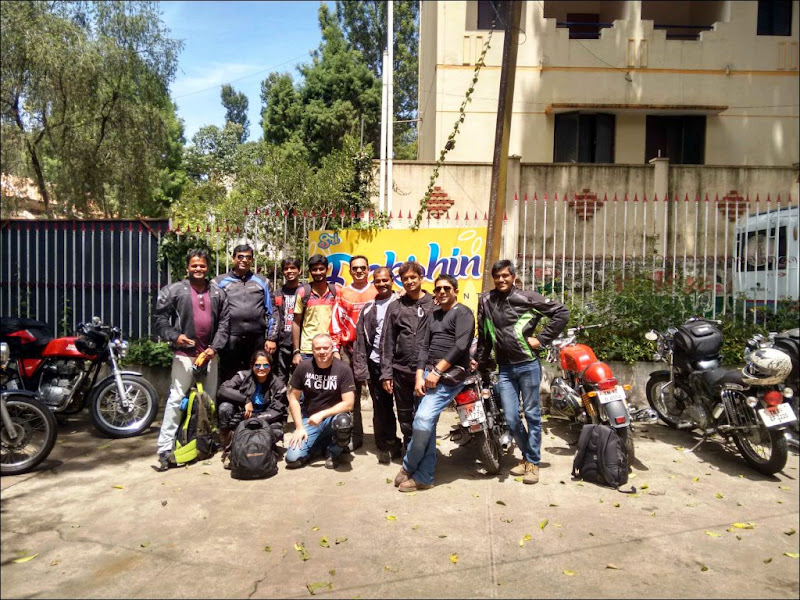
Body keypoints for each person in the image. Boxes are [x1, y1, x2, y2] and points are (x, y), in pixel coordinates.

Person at [476, 259, 569, 485]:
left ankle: (532, 462)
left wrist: (542, 339)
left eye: (505, 275)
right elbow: (484, 336)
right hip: (505, 369)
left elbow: (561, 312)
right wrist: (479, 363)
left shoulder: (527, 298)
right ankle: (528, 456)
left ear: (513, 277)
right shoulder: (486, 300)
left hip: (528, 365)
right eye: (497, 276)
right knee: (510, 417)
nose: (501, 279)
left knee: (532, 415)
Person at [395, 274, 475, 492]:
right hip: (428, 374)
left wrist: (438, 371)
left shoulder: (463, 313)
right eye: (438, 289)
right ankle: (424, 476)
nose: (441, 292)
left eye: (446, 288)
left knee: (422, 420)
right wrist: (419, 375)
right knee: (426, 424)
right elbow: (424, 347)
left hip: (449, 376)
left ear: (455, 291)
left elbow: (460, 345)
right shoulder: (434, 315)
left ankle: (409, 465)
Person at [153, 248, 230, 472]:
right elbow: (159, 319)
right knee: (176, 399)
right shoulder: (174, 290)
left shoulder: (218, 293)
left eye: (202, 265)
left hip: (210, 356)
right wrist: (174, 337)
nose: (198, 269)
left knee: (209, 400)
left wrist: (214, 348)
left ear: (208, 268)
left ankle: (206, 440)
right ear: (187, 267)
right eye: (194, 265)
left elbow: (224, 323)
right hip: (184, 356)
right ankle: (165, 448)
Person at [380, 261, 436, 455]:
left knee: (425, 416)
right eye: (406, 279)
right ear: (401, 282)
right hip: (401, 370)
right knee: (405, 415)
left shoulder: (434, 303)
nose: (410, 281)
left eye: (413, 277)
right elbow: (387, 342)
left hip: (427, 371)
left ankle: (426, 453)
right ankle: (410, 449)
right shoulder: (395, 307)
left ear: (421, 278)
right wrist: (386, 373)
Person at [285, 333, 355, 470]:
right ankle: (321, 445)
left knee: (344, 422)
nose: (322, 352)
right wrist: (299, 427)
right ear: (312, 350)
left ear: (332, 348)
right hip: (310, 420)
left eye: (325, 348)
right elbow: (293, 398)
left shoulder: (343, 369)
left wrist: (322, 414)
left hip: (333, 418)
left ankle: (333, 453)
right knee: (292, 459)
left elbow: (349, 404)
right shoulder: (303, 367)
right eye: (318, 348)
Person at [330, 255, 377, 451]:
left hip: (373, 350)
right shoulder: (343, 293)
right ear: (350, 271)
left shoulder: (377, 290)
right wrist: (335, 349)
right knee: (352, 395)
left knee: (378, 396)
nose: (359, 271)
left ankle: (383, 438)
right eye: (355, 268)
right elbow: (336, 322)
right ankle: (355, 436)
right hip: (349, 350)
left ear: (368, 270)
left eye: (362, 268)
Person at [353, 267, 399, 464]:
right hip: (376, 364)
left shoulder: (402, 302)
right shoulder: (368, 308)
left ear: (392, 280)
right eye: (378, 281)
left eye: (385, 280)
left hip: (400, 365)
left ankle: (411, 445)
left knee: (407, 408)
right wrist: (362, 370)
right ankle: (386, 443)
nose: (382, 284)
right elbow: (360, 340)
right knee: (381, 407)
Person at [213, 244, 278, 383]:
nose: (244, 260)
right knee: (228, 376)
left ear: (252, 260)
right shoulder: (219, 282)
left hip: (256, 338)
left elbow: (272, 311)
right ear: (233, 259)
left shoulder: (263, 282)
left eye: (248, 257)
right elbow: (213, 312)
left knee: (258, 374)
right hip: (230, 338)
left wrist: (272, 338)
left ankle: (256, 397)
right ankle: (229, 397)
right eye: (240, 257)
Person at [216, 349, 287, 468]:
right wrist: (245, 400)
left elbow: (277, 410)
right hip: (243, 416)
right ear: (252, 366)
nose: (261, 368)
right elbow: (222, 389)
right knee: (225, 408)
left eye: (265, 365)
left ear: (270, 366)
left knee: (276, 432)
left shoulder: (278, 385)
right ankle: (229, 452)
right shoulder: (242, 376)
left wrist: (254, 419)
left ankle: (267, 450)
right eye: (257, 365)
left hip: (267, 421)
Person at [292, 254, 340, 365]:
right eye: (314, 269)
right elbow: (296, 322)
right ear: (310, 271)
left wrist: (337, 349)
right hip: (308, 349)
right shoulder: (303, 292)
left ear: (327, 269)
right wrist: (296, 351)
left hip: (330, 348)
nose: (318, 272)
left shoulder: (336, 291)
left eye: (321, 269)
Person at [273, 257, 302, 384]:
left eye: (293, 268)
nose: (289, 271)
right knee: (280, 378)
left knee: (301, 378)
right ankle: (281, 397)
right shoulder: (277, 293)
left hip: (302, 343)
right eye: (286, 268)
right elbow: (274, 317)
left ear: (299, 270)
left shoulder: (305, 292)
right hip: (282, 343)